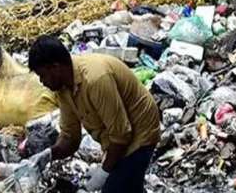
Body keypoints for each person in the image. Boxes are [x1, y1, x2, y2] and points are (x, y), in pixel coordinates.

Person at [26, 36, 161, 192]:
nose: (42, 81)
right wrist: (48, 155)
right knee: (125, 183)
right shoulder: (62, 89)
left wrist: (103, 173)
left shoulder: (95, 79)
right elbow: (71, 138)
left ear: (55, 67)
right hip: (116, 137)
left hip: (140, 131)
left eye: (42, 75)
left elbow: (122, 135)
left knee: (116, 186)